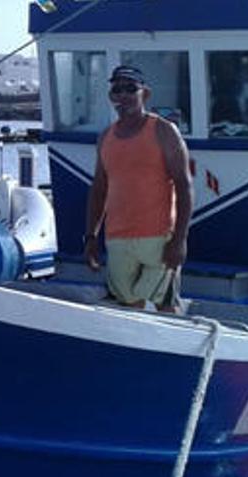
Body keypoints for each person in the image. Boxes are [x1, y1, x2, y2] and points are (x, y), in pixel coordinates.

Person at [84, 65, 194, 313]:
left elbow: (184, 187)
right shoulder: (105, 137)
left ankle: (171, 349)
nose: (123, 95)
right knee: (128, 305)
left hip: (158, 239)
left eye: (130, 89)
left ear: (145, 94)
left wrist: (179, 240)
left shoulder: (164, 132)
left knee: (156, 306)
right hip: (117, 241)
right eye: (117, 90)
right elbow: (99, 189)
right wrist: (90, 237)